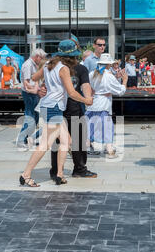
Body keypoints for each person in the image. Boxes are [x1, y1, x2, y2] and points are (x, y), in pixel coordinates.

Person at [19, 39, 93, 187]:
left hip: (49, 106)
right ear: (70, 57)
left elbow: (33, 78)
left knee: (67, 141)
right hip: (53, 108)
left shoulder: (48, 65)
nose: (75, 59)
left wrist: (41, 87)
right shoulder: (63, 69)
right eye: (74, 57)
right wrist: (86, 100)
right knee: (45, 144)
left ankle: (59, 174)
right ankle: (25, 174)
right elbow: (71, 92)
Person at [50, 36, 98, 180]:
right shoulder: (76, 68)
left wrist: (87, 98)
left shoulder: (54, 68)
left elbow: (85, 85)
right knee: (75, 141)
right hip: (71, 108)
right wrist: (87, 100)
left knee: (59, 142)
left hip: (60, 110)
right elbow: (85, 87)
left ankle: (58, 171)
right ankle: (77, 169)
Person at [86, 53, 128, 159]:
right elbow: (120, 91)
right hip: (104, 103)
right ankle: (109, 149)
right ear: (109, 64)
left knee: (90, 126)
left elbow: (92, 86)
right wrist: (125, 81)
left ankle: (85, 147)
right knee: (107, 127)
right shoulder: (108, 76)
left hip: (93, 102)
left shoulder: (92, 74)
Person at [16, 49, 47, 149]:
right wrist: (37, 90)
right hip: (30, 94)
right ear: (37, 56)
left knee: (34, 117)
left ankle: (26, 138)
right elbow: (26, 84)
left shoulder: (33, 65)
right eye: (41, 58)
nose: (42, 60)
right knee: (30, 117)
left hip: (34, 94)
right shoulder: (28, 65)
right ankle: (21, 139)